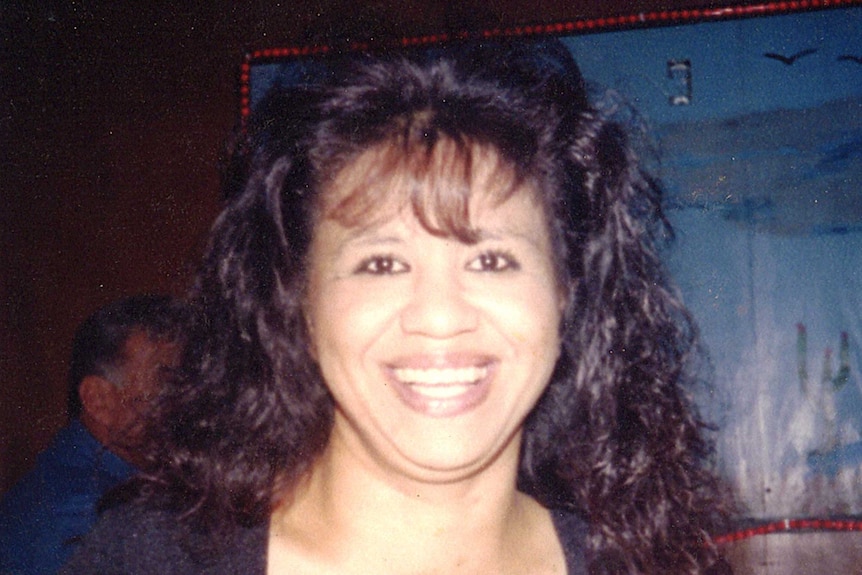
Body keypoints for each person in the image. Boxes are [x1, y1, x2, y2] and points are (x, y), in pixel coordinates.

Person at [61, 39, 730, 574]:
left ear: (566, 293)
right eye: (381, 262)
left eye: (491, 259)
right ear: (297, 301)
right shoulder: (148, 559)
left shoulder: (650, 566)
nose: (440, 317)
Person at [0, 294, 189, 574]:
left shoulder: (89, 475)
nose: (190, 399)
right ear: (99, 400)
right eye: (168, 382)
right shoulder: (83, 514)